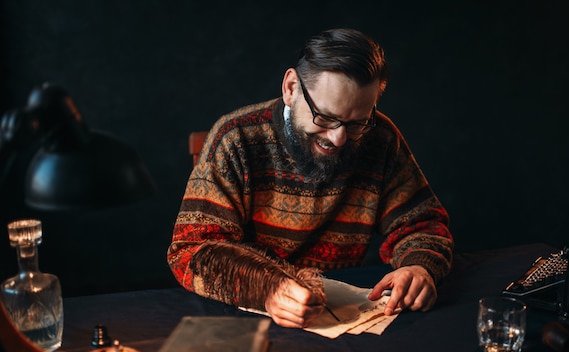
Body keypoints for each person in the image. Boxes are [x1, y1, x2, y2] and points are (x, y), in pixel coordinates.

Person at [167, 28, 454, 328]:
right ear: (291, 87)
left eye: (356, 123)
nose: (339, 138)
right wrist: (266, 289)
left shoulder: (380, 138)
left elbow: (423, 225)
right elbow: (191, 252)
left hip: (344, 320)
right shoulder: (236, 139)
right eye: (325, 117)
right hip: (248, 318)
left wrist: (419, 267)